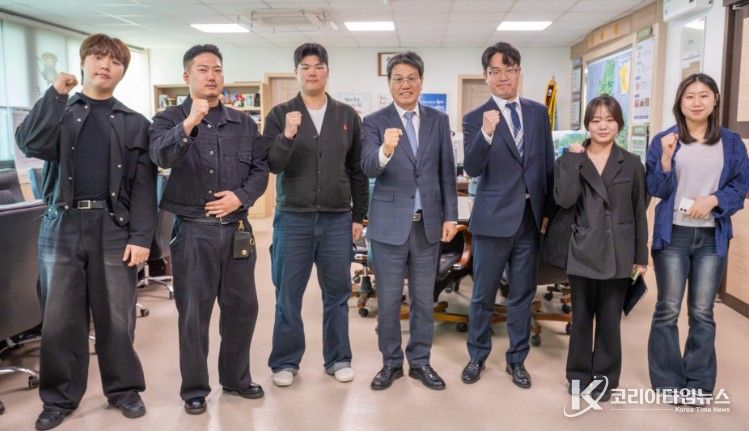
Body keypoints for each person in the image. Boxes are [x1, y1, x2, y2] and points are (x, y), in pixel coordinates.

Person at [15, 34, 157, 430]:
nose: (105, 65)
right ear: (82, 63)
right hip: (61, 225)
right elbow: (29, 142)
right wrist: (55, 94)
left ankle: (123, 390)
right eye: (97, 57)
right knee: (60, 319)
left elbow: (144, 187)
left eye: (115, 61)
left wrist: (141, 237)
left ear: (123, 71)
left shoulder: (135, 123)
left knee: (117, 316)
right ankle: (59, 399)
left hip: (113, 227)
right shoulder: (61, 111)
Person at [149, 44, 269, 414]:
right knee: (193, 315)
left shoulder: (243, 123)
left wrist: (241, 197)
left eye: (217, 69)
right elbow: (160, 155)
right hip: (192, 232)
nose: (212, 76)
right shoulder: (167, 119)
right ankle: (195, 389)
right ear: (187, 76)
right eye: (203, 69)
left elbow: (261, 169)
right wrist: (190, 123)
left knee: (242, 309)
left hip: (236, 230)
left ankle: (235, 378)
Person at [264, 43, 368, 387]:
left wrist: (359, 216)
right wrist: (287, 135)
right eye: (305, 67)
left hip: (337, 219)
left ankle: (338, 358)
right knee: (287, 294)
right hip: (292, 219)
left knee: (337, 293)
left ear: (327, 71)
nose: (312, 72)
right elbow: (272, 164)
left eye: (318, 66)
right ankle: (285, 361)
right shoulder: (280, 114)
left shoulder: (347, 116)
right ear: (296, 73)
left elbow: (357, 170)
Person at [647, 73, 749, 402]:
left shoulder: (731, 143)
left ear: (715, 100)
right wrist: (665, 159)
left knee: (703, 311)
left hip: (711, 237)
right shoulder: (665, 139)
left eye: (704, 95)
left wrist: (714, 200)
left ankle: (699, 383)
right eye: (689, 96)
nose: (696, 102)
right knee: (668, 308)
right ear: (680, 102)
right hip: (673, 236)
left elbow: (741, 186)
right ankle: (667, 381)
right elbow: (655, 188)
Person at [361, 51, 458, 391]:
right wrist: (386, 150)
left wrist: (451, 216)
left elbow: (446, 172)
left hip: (427, 225)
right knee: (388, 302)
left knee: (423, 300)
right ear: (389, 84)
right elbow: (368, 167)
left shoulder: (438, 120)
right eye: (398, 79)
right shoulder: (374, 122)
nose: (406, 84)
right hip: (388, 226)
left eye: (411, 78)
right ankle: (390, 364)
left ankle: (420, 362)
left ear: (421, 81)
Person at [461, 41, 555, 388]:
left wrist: (547, 212)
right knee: (483, 295)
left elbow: (547, 164)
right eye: (495, 71)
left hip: (530, 220)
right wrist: (486, 133)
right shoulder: (475, 118)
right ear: (486, 76)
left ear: (519, 73)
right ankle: (476, 356)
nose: (503, 77)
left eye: (510, 69)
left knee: (522, 295)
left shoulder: (537, 113)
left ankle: (517, 360)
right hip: (492, 221)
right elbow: (472, 168)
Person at [554, 95, 648, 401]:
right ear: (587, 124)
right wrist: (572, 160)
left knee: (610, 321)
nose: (603, 126)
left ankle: (606, 378)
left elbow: (639, 210)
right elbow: (564, 199)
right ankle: (578, 376)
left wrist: (640, 255)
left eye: (609, 119)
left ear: (619, 124)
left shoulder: (631, 163)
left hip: (619, 250)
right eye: (596, 120)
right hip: (582, 246)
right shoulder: (571, 159)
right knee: (581, 318)